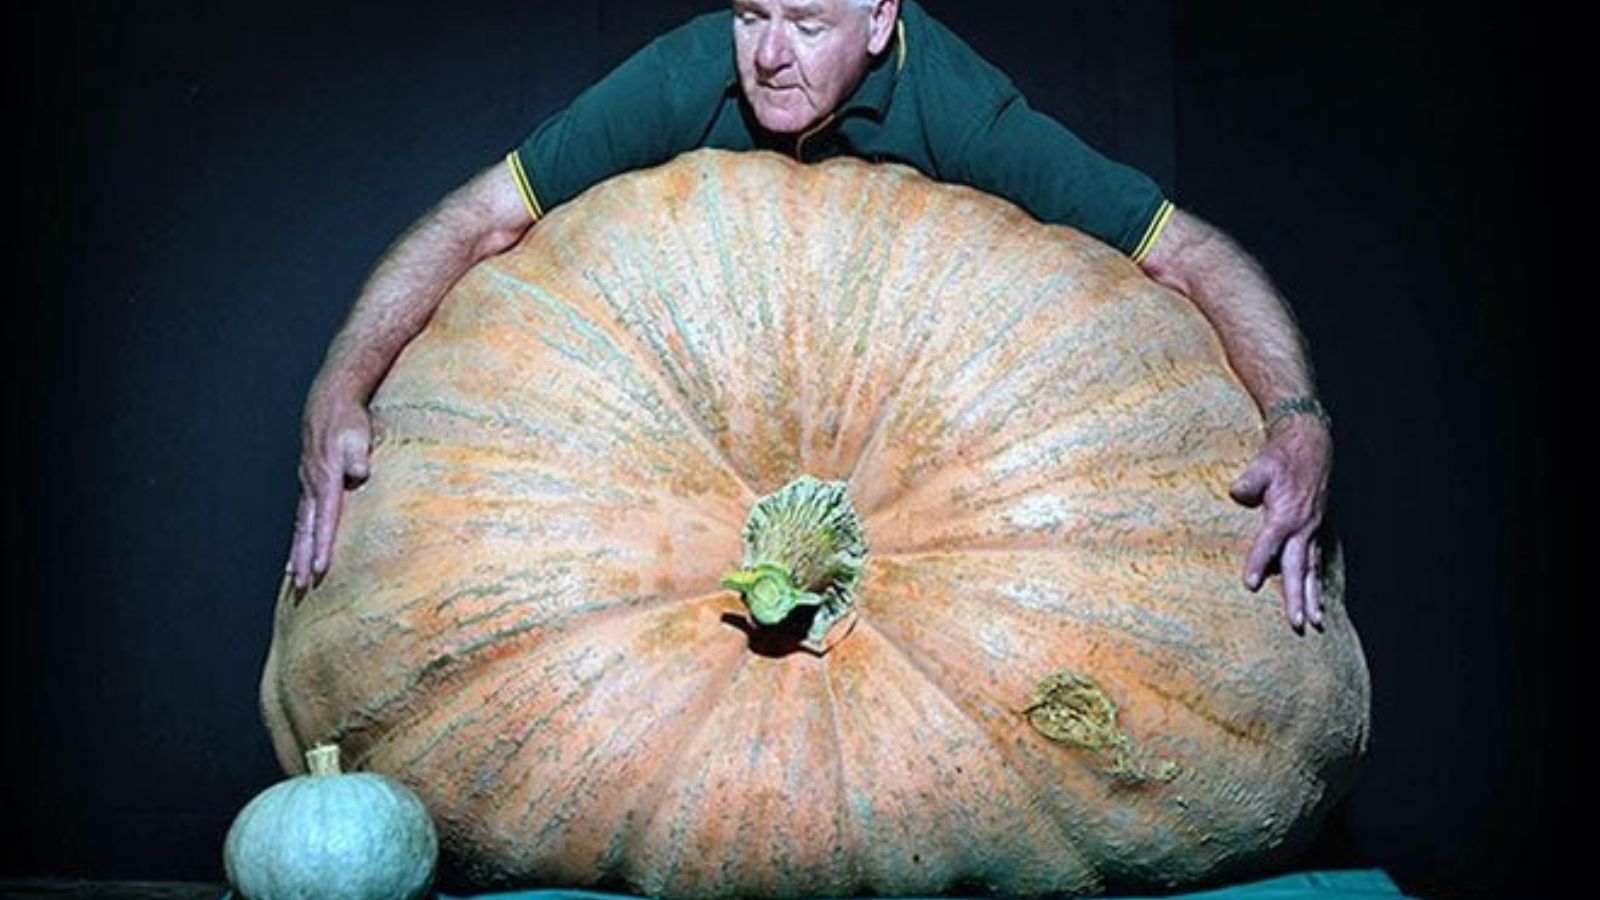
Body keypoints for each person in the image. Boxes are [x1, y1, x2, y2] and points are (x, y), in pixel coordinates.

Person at [286, 0, 1334, 635]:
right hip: (687, 434)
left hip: (921, 448)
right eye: (752, 17)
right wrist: (342, 381)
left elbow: (1189, 253)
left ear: (882, 21)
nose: (769, 56)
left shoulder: (963, 113)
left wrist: (1295, 418)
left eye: (808, 22)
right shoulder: (684, 73)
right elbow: (477, 219)